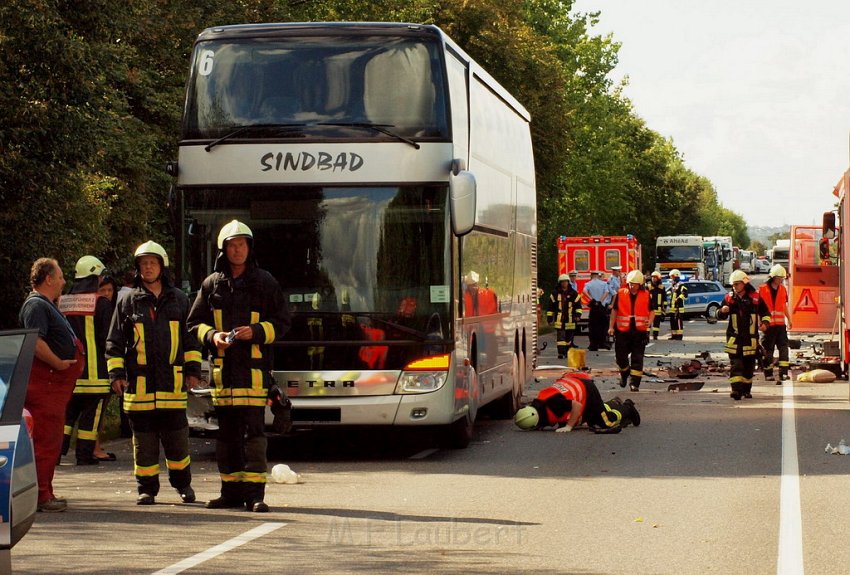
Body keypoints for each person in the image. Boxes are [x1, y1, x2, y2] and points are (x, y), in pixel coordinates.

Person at [187, 220, 291, 512]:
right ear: (224, 250)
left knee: (254, 438)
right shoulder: (211, 284)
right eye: (232, 245)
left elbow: (283, 323)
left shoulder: (266, 282)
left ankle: (255, 495)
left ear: (249, 247)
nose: (237, 250)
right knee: (227, 439)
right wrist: (213, 336)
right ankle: (230, 493)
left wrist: (256, 332)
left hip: (255, 376)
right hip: (224, 377)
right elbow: (193, 324)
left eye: (242, 244)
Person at [106, 241, 202, 505]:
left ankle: (183, 486)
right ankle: (146, 489)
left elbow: (190, 340)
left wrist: (193, 371)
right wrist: (117, 375)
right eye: (143, 263)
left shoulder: (179, 300)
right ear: (138, 268)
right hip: (139, 387)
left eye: (152, 263)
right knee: (144, 444)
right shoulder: (127, 300)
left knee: (177, 442)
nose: (147, 267)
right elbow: (114, 341)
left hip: (172, 385)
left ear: (162, 266)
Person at [19, 258, 84, 512]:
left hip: (52, 387)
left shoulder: (46, 304)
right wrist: (58, 363)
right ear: (48, 279)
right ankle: (41, 496)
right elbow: (35, 343)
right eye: (60, 276)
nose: (63, 281)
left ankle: (45, 492)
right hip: (45, 386)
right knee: (46, 441)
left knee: (52, 440)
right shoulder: (36, 305)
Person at [60, 256, 113, 465]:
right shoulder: (100, 303)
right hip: (95, 374)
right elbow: (107, 338)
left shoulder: (63, 301)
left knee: (68, 415)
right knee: (91, 416)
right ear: (94, 277)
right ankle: (84, 455)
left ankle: (57, 453)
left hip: (70, 372)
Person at [513, 371, 640, 432]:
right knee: (592, 417)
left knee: (605, 422)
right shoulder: (541, 401)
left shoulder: (554, 404)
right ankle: (612, 403)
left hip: (587, 390)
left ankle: (627, 407)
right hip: (576, 384)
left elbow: (576, 405)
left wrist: (569, 426)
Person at [717, 270, 761, 400]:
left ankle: (746, 390)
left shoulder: (755, 298)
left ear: (744, 284)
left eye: (737, 284)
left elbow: (765, 313)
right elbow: (718, 315)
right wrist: (722, 311)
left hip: (750, 340)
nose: (734, 287)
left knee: (748, 367)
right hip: (734, 339)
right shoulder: (729, 298)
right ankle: (736, 390)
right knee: (736, 365)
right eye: (733, 284)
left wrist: (765, 323)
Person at [608, 270, 655, 392]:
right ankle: (624, 373)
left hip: (639, 332)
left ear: (640, 284)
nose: (631, 285)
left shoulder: (646, 295)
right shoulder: (621, 293)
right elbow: (614, 311)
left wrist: (649, 322)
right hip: (623, 331)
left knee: (637, 358)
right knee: (621, 357)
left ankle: (635, 383)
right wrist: (611, 327)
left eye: (634, 283)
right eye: (630, 283)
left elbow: (652, 311)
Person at [93, 273, 120, 460]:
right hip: (100, 368)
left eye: (110, 290)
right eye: (102, 290)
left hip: (97, 366)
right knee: (96, 411)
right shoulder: (102, 308)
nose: (107, 294)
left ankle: (96, 445)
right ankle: (94, 447)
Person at [759, 264, 791, 383]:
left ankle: (783, 373)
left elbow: (784, 306)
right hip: (767, 326)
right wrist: (760, 323)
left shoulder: (783, 289)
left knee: (784, 348)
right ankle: (768, 373)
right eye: (779, 278)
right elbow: (758, 308)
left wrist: (789, 319)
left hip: (780, 325)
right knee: (768, 350)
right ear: (773, 277)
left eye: (782, 278)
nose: (781, 280)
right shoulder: (762, 289)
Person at [547, 273, 582, 358]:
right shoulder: (555, 294)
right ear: (560, 283)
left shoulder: (573, 293)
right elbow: (550, 307)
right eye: (562, 282)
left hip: (570, 319)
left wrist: (578, 315)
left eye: (565, 282)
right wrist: (550, 318)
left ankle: (567, 351)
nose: (564, 283)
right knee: (560, 337)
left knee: (569, 338)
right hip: (559, 319)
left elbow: (578, 306)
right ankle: (561, 353)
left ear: (568, 282)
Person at [582, 271, 611, 351]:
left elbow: (584, 291)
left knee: (593, 327)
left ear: (591, 276)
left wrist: (592, 299)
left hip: (594, 308)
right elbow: (607, 292)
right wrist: (600, 301)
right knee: (603, 326)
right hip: (601, 307)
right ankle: (602, 343)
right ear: (598, 276)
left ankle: (593, 344)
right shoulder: (604, 283)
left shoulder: (588, 284)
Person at [667, 269, 688, 340]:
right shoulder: (673, 285)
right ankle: (674, 335)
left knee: (678, 321)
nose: (671, 278)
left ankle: (679, 335)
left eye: (672, 277)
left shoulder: (681, 284)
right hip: (673, 308)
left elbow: (685, 294)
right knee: (673, 321)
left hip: (679, 307)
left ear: (676, 276)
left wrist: (678, 299)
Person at [648, 270, 667, 340]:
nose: (653, 279)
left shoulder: (662, 287)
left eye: (655, 277)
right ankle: (647, 335)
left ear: (658, 278)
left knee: (656, 324)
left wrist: (664, 308)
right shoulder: (648, 286)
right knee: (648, 323)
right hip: (649, 308)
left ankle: (655, 336)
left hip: (658, 308)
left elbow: (664, 299)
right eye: (652, 277)